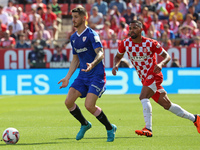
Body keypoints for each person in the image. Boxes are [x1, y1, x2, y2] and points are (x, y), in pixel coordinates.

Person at [112, 20, 200, 137]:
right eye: (130, 28)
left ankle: (148, 128)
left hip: (154, 75)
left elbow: (167, 56)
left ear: (141, 30)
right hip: (144, 78)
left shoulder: (150, 43)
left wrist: (161, 64)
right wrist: (115, 65)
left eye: (135, 28)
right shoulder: (125, 43)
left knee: (143, 96)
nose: (131, 30)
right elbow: (117, 56)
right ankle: (195, 118)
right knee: (167, 105)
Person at [58, 6, 117, 142]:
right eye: (72, 17)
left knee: (89, 105)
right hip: (82, 75)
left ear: (84, 18)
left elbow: (101, 53)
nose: (73, 20)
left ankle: (109, 128)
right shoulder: (73, 38)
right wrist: (67, 78)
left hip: (96, 74)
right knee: (68, 102)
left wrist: (93, 63)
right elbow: (75, 59)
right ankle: (85, 124)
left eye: (76, 17)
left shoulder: (92, 34)